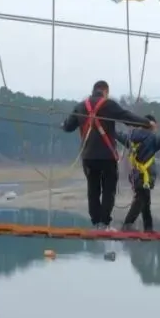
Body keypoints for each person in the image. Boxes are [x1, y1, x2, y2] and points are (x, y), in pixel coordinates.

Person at [62, 80, 154, 231]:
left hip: (88, 157)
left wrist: (62, 124)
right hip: (107, 157)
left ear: (93, 90)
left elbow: (68, 126)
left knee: (93, 190)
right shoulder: (109, 105)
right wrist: (146, 123)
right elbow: (127, 117)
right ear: (105, 91)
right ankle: (104, 223)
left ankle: (95, 222)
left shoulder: (81, 106)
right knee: (108, 190)